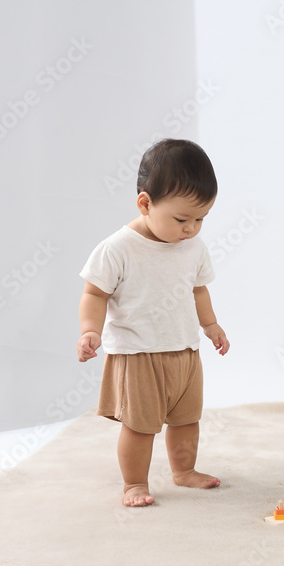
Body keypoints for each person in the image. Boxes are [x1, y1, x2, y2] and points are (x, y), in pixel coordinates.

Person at [76, 138, 230, 508]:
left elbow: (198, 290)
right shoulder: (118, 248)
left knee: (187, 420)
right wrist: (90, 330)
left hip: (184, 350)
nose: (191, 228)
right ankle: (134, 483)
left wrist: (210, 325)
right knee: (140, 426)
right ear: (145, 204)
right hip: (138, 354)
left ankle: (184, 471)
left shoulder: (193, 247)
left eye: (200, 219)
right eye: (182, 219)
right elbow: (95, 293)